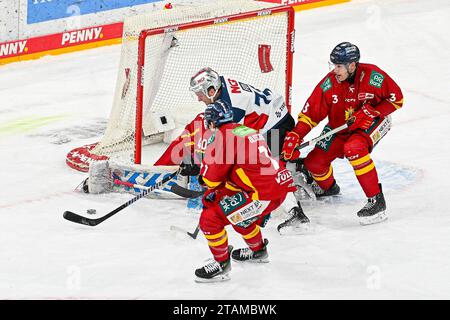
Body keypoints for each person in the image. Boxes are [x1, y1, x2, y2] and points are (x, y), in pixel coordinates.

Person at [154, 67, 310, 229]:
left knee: (270, 172)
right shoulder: (220, 86)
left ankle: (295, 212)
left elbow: (223, 146)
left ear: (211, 90)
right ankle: (296, 167)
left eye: (200, 93)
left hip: (276, 126)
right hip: (269, 117)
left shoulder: (231, 106)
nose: (199, 98)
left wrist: (199, 163)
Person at [279, 42, 403, 227]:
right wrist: (296, 134)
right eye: (333, 65)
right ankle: (328, 188)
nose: (334, 70)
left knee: (354, 148)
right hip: (340, 127)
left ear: (352, 65)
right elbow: (311, 114)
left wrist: (371, 112)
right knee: (315, 163)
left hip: (372, 123)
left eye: (338, 66)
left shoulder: (373, 76)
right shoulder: (330, 83)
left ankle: (376, 201)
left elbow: (396, 99)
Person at [184, 100, 296, 282]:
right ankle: (258, 251)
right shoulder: (244, 129)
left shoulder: (221, 137)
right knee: (239, 216)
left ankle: (221, 264)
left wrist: (197, 171)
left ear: (211, 123)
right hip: (278, 186)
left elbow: (211, 180)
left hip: (262, 195)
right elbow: (240, 170)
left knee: (209, 220)